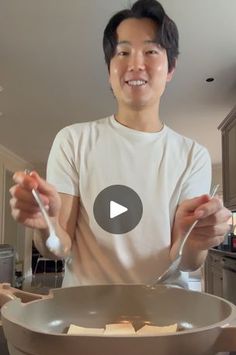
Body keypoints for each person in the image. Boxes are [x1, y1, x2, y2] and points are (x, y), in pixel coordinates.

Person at [10, 0, 231, 288]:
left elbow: (187, 260)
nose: (136, 64)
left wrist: (199, 238)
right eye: (123, 52)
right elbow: (59, 246)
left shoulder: (193, 156)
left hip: (167, 313)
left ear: (171, 68)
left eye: (151, 51)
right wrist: (45, 225)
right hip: (87, 314)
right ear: (109, 69)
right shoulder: (73, 141)